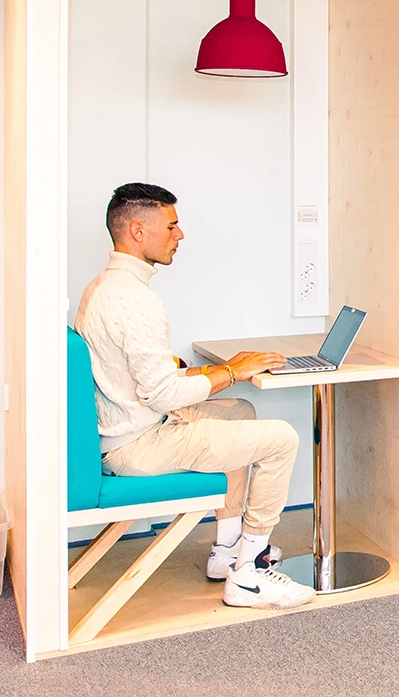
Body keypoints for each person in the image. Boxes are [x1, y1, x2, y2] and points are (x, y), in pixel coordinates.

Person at [74, 183, 313, 610]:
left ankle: (226, 551)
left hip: (124, 426)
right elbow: (163, 393)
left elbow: (143, 371)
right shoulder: (135, 300)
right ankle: (249, 575)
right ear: (137, 230)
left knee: (240, 411)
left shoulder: (102, 288)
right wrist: (231, 371)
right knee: (281, 438)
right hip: (137, 444)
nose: (179, 235)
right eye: (172, 225)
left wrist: (223, 371)